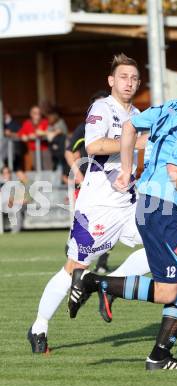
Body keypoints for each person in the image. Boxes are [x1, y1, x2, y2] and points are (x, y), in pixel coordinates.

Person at [68, 64, 177, 370]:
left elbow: (132, 125)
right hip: (162, 207)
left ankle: (159, 356)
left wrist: (126, 168)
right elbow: (175, 171)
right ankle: (96, 282)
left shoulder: (176, 105)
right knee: (167, 291)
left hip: (164, 204)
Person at [27, 53, 150, 354]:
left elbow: (138, 153)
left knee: (164, 245)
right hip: (97, 204)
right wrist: (135, 142)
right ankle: (39, 326)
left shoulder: (137, 112)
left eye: (134, 78)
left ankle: (107, 286)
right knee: (75, 267)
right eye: (123, 77)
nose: (129, 82)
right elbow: (94, 146)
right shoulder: (102, 108)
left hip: (127, 201)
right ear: (111, 81)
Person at [65, 90, 110, 273]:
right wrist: (78, 174)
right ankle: (76, 255)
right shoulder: (84, 128)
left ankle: (101, 262)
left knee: (107, 224)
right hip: (87, 184)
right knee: (85, 223)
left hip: (110, 185)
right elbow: (69, 151)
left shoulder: (119, 127)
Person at [17, 106, 51, 171]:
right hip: (33, 151)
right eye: (35, 113)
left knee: (48, 169)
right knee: (36, 169)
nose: (37, 115)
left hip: (44, 149)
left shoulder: (45, 122)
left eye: (39, 113)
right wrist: (23, 136)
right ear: (31, 114)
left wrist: (35, 135)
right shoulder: (27, 123)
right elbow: (20, 133)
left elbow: (48, 132)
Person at [46, 108, 69, 177]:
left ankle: (65, 178)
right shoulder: (50, 125)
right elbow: (47, 132)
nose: (49, 118)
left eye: (50, 117)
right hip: (55, 149)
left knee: (64, 163)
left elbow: (60, 131)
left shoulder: (60, 122)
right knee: (56, 163)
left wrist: (52, 134)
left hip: (63, 147)